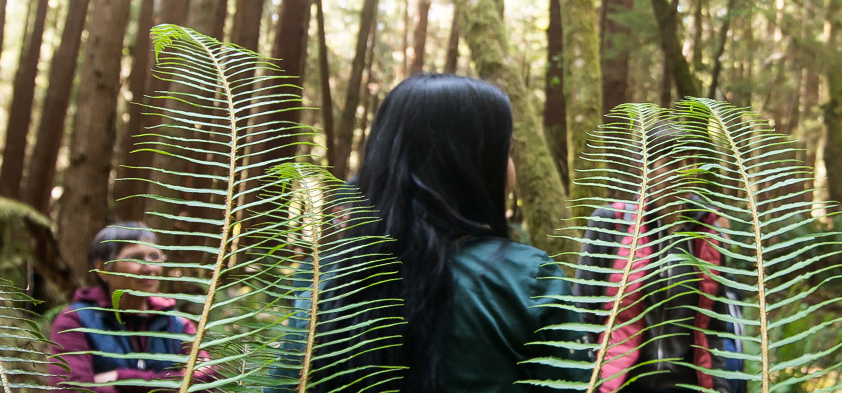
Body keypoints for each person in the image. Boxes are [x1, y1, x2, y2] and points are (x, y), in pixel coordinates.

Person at [310, 73, 582, 392]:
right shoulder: (530, 280)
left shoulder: (322, 281)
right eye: (507, 152)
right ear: (470, 165)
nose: (512, 167)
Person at [575, 122, 745, 393]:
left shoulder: (708, 236)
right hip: (620, 386)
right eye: (673, 163)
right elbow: (584, 315)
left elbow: (716, 328)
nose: (684, 172)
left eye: (691, 162)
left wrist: (720, 388)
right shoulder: (611, 224)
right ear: (648, 169)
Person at [48, 222, 217, 393]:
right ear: (103, 269)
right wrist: (174, 382)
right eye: (136, 258)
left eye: (155, 257)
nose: (150, 267)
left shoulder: (177, 324)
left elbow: (206, 378)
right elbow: (73, 389)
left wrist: (121, 379)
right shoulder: (75, 321)